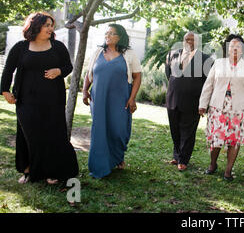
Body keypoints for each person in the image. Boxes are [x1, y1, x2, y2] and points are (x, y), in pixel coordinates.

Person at [1, 11, 79, 184]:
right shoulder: (21, 47)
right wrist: (5, 91)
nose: (50, 29)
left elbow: (68, 66)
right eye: (47, 25)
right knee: (28, 134)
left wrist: (58, 71)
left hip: (53, 100)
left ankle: (52, 171)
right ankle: (28, 170)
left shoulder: (57, 46)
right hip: (26, 100)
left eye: (52, 26)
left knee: (52, 134)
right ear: (35, 26)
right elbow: (8, 70)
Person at [83, 24, 142, 179]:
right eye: (106, 33)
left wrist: (132, 98)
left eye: (112, 33)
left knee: (118, 130)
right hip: (99, 98)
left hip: (121, 98)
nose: (107, 36)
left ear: (119, 37)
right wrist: (84, 92)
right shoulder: (97, 52)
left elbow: (137, 76)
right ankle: (100, 165)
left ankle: (117, 156)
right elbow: (89, 75)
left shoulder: (129, 54)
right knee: (100, 130)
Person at [199, 34, 244, 181]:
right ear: (227, 48)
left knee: (234, 140)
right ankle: (213, 164)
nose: (234, 48)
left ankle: (228, 170)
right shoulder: (219, 63)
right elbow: (208, 85)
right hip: (218, 106)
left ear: (243, 49)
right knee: (216, 138)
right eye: (232, 45)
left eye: (238, 46)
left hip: (239, 109)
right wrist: (203, 104)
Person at [165, 32, 211, 171]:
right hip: (173, 98)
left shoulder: (205, 59)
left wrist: (203, 103)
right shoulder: (172, 54)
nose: (189, 41)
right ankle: (176, 155)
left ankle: (183, 160)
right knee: (175, 129)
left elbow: (208, 82)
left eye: (193, 39)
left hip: (193, 102)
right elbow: (168, 74)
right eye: (187, 39)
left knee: (188, 132)